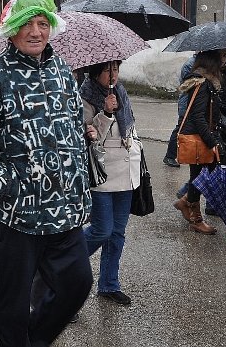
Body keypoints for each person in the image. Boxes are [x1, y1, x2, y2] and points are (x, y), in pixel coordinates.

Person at [0, 0, 93, 347]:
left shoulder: (62, 69)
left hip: (63, 211)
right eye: (27, 24)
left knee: (77, 284)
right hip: (14, 216)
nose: (36, 32)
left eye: (43, 23)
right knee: (13, 307)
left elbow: (74, 120)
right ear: (12, 29)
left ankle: (35, 341)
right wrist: (8, 184)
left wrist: (82, 136)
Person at [80, 60, 141, 306]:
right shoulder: (84, 97)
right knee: (101, 230)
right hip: (101, 175)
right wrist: (104, 112)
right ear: (96, 72)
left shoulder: (121, 93)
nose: (113, 74)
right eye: (108, 70)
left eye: (116, 68)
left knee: (117, 234)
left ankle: (108, 284)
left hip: (125, 174)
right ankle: (59, 267)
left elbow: (130, 127)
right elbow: (88, 137)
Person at [172, 50, 225, 235]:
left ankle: (186, 201)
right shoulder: (202, 82)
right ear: (213, 59)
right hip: (199, 137)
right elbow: (198, 116)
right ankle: (195, 218)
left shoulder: (208, 81)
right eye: (223, 55)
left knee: (201, 176)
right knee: (202, 177)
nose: (225, 59)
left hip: (202, 135)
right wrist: (212, 142)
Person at [163, 54, 196, 168]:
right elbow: (187, 85)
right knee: (181, 129)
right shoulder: (190, 64)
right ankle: (170, 156)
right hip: (186, 103)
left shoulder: (200, 63)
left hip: (194, 104)